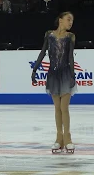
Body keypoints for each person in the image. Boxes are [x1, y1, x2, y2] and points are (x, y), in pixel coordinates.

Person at [31, 11, 77, 153]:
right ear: (60, 20)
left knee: (64, 107)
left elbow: (70, 58)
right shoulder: (49, 35)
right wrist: (35, 69)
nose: (70, 22)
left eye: (72, 20)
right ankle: (59, 138)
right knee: (57, 108)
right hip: (52, 75)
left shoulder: (70, 37)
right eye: (68, 19)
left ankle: (68, 138)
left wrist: (72, 75)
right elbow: (42, 52)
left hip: (65, 74)